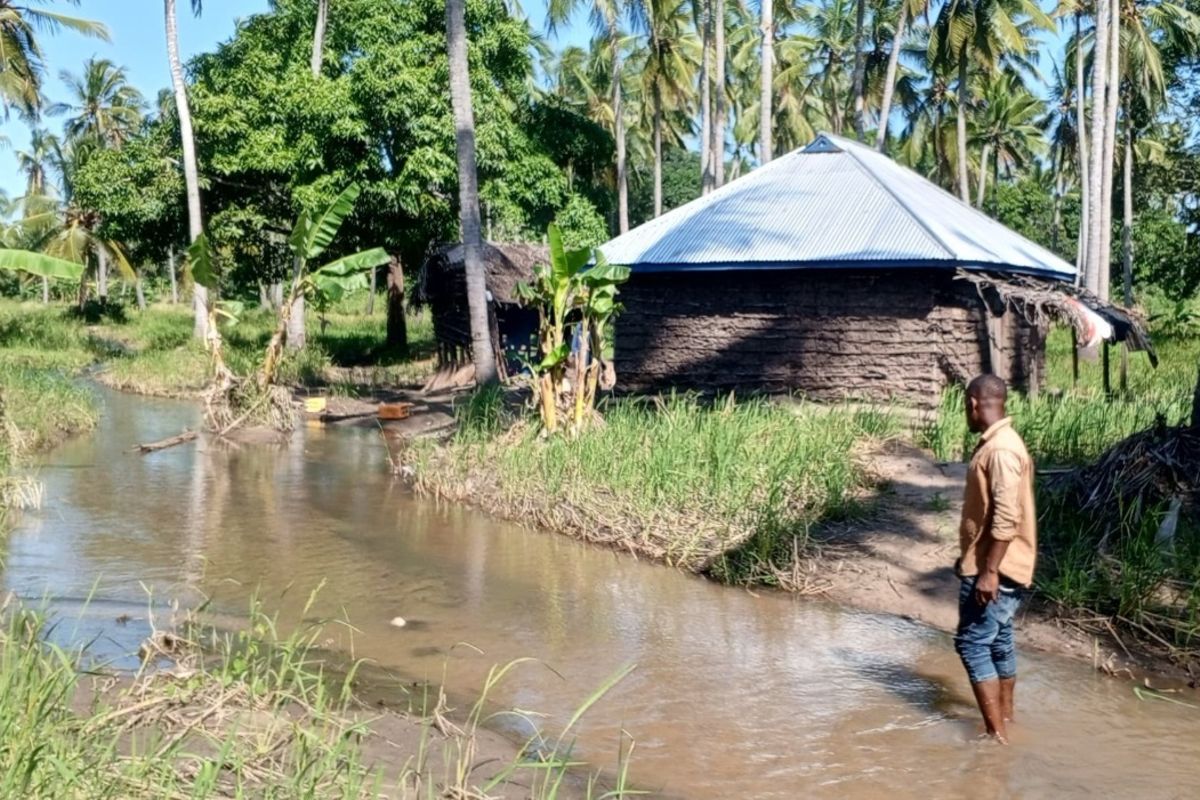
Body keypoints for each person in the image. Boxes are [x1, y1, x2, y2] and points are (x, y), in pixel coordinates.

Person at [954, 374, 1037, 744]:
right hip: (1003, 564)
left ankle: (996, 737)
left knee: (972, 644)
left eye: (965, 407)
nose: (966, 414)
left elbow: (1006, 517)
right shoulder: (1000, 443)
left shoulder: (1001, 449)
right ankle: (1007, 718)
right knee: (999, 639)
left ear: (973, 403)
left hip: (995, 567)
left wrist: (988, 572)